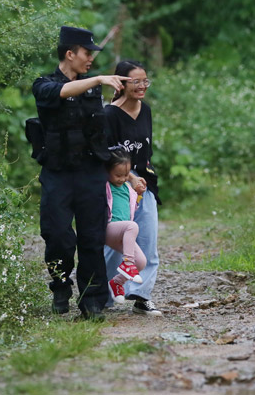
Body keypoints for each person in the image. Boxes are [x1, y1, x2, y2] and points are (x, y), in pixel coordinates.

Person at [31, 26, 131, 321]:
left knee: (91, 237)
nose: (90, 59)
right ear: (70, 53)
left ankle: (93, 301)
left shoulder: (93, 89)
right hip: (58, 173)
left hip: (89, 172)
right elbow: (61, 93)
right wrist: (97, 79)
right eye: (87, 53)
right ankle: (61, 286)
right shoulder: (44, 84)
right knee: (59, 236)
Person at [104, 60, 162, 316]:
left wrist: (142, 178)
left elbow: (145, 150)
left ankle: (141, 295)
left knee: (148, 239)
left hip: (144, 182)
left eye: (145, 81)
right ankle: (104, 296)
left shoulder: (146, 110)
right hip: (119, 184)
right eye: (136, 81)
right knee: (117, 241)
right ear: (122, 83)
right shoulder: (109, 114)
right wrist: (129, 179)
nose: (142, 86)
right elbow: (108, 155)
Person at [104, 149, 146, 304]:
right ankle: (127, 263)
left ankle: (117, 282)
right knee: (132, 226)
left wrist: (139, 195)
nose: (122, 179)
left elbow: (129, 209)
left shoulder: (128, 188)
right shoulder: (106, 185)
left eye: (126, 175)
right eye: (118, 175)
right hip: (109, 228)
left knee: (141, 262)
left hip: (123, 231)